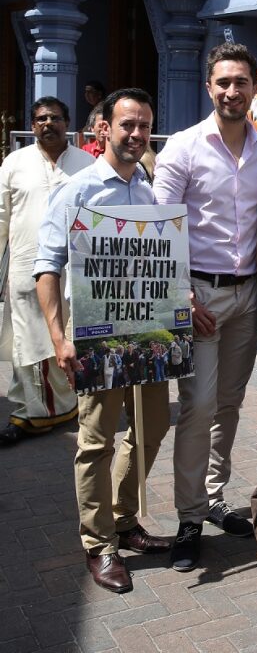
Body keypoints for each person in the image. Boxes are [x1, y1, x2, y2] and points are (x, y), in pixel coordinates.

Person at [33, 87, 172, 594]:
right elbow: (46, 266)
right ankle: (99, 544)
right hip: (94, 334)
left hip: (148, 332)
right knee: (95, 440)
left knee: (151, 428)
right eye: (127, 125)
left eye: (144, 127)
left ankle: (125, 520)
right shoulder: (78, 190)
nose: (136, 135)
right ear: (103, 130)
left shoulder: (149, 189)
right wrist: (58, 337)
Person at [153, 42, 257, 570]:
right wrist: (181, 293)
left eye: (241, 82)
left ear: (255, 87)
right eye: (223, 82)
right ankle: (187, 517)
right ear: (210, 88)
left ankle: (213, 497)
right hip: (197, 295)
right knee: (199, 405)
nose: (232, 91)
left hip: (246, 296)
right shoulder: (182, 147)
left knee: (229, 403)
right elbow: (160, 226)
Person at [0, 96, 94, 446]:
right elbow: (1, 217)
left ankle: (60, 407)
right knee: (27, 343)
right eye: (40, 118)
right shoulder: (15, 163)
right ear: (32, 124)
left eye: (55, 117)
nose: (48, 124)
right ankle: (31, 411)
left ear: (67, 122)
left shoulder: (86, 165)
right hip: (25, 269)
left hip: (73, 273)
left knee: (65, 340)